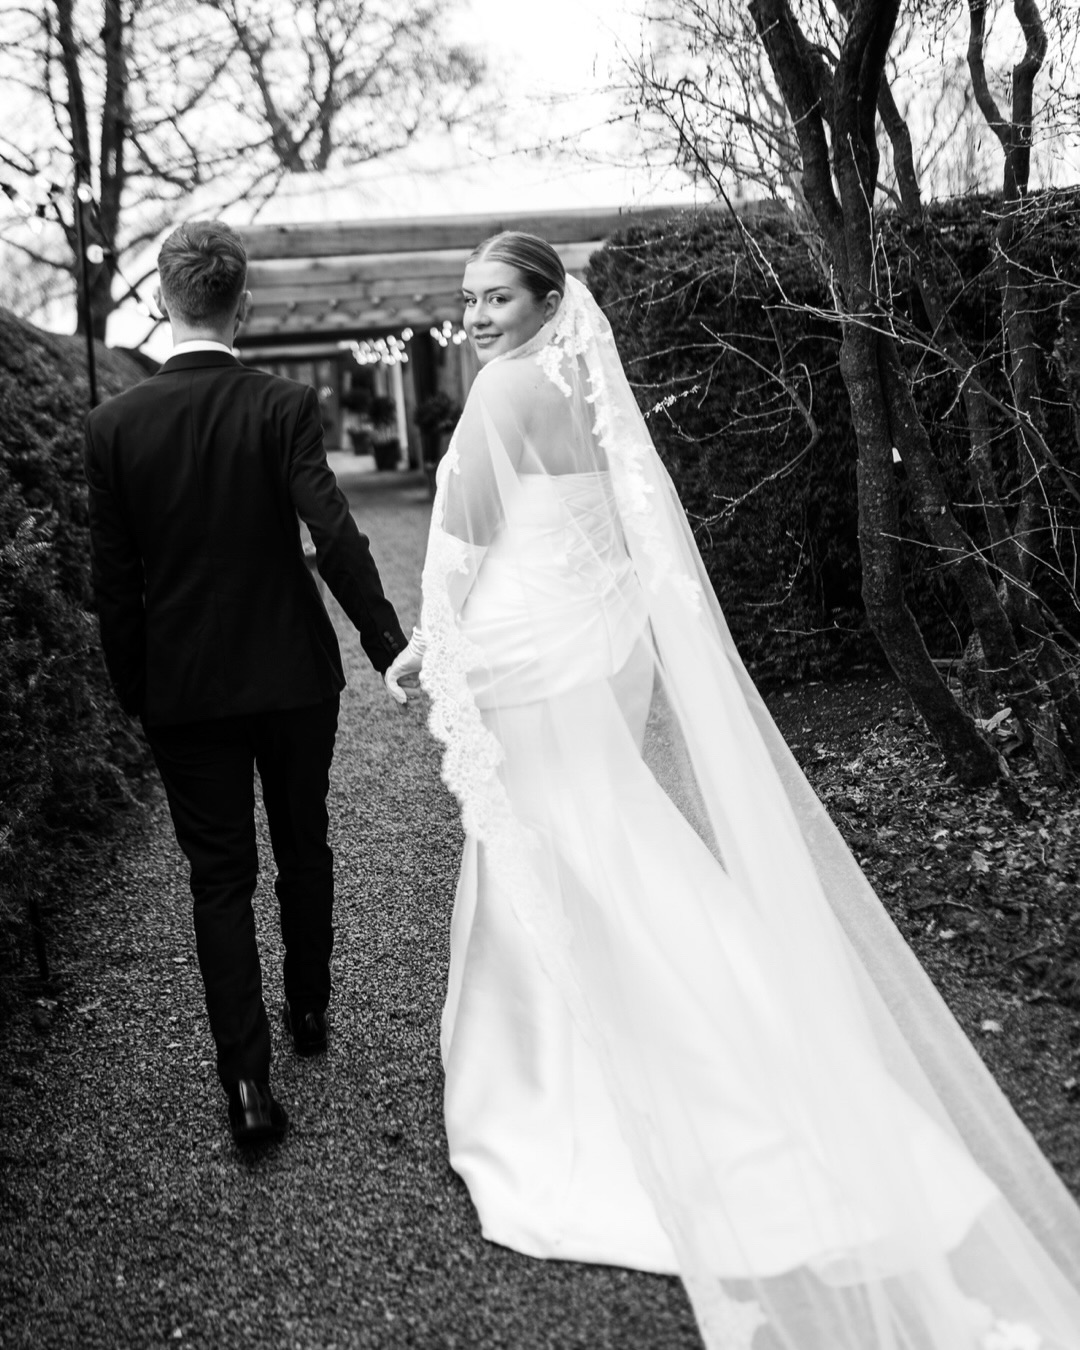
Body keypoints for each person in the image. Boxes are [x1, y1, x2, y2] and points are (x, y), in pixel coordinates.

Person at [384, 232, 1080, 1348]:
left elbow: (462, 539)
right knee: (605, 824)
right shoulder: (585, 391)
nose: (475, 316)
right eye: (465, 298)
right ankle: (734, 1022)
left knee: (550, 839)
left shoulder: (505, 391)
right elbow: (622, 531)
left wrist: (430, 642)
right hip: (575, 642)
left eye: (496, 297)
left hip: (521, 647)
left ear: (545, 302)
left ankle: (559, 1074)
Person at [85, 220, 407, 1146]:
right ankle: (310, 1012)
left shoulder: (112, 427)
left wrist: (135, 690)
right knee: (304, 843)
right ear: (245, 304)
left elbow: (116, 579)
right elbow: (335, 533)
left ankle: (246, 1089)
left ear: (162, 299)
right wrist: (385, 644)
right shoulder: (283, 405)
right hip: (295, 673)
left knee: (218, 878)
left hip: (185, 688)